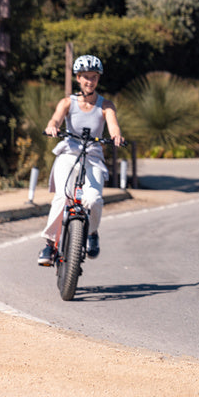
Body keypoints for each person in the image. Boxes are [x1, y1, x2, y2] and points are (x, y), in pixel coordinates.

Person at [37, 55, 125, 266]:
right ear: (78, 78)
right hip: (69, 154)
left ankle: (92, 232)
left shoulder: (106, 105)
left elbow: (113, 125)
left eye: (93, 77)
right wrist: (52, 127)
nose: (89, 81)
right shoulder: (68, 102)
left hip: (93, 157)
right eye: (85, 77)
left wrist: (116, 136)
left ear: (97, 79)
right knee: (62, 196)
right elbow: (56, 118)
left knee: (94, 199)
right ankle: (50, 245)